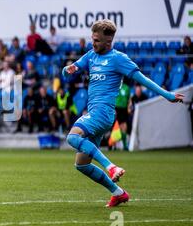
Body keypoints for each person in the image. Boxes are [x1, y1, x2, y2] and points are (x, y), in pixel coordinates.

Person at [62, 19, 184, 207]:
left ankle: (111, 167)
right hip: (94, 112)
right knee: (82, 164)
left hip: (103, 113)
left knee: (72, 137)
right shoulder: (91, 55)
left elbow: (143, 79)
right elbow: (73, 67)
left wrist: (167, 95)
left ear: (108, 42)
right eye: (92, 39)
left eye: (96, 40)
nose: (92, 43)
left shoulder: (118, 59)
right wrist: (68, 69)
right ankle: (118, 193)